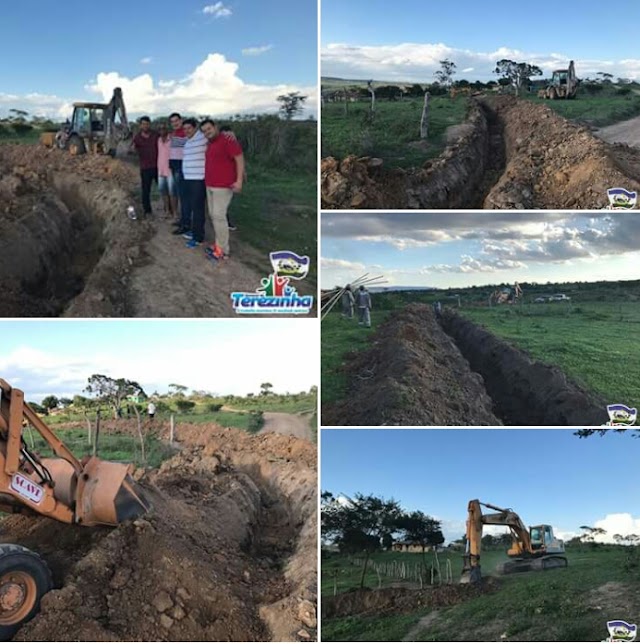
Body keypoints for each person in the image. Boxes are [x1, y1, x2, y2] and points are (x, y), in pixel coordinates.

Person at [200, 119, 245, 260]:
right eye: (205, 131)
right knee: (214, 215)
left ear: (215, 127)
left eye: (209, 129)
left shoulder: (228, 139)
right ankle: (219, 245)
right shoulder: (209, 143)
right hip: (210, 184)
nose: (207, 132)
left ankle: (223, 250)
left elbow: (239, 158)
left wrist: (239, 180)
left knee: (219, 216)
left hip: (223, 186)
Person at [179, 118, 208, 247]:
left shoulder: (203, 137)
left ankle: (198, 238)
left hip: (198, 179)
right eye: (184, 129)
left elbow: (218, 135)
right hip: (188, 179)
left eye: (189, 128)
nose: (186, 131)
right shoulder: (187, 141)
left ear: (195, 127)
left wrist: (228, 132)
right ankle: (195, 230)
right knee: (191, 206)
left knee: (197, 209)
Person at [132, 116, 159, 216]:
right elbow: (132, 149)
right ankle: (147, 211)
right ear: (140, 125)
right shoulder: (137, 137)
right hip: (145, 168)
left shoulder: (156, 135)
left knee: (164, 189)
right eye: (143, 124)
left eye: (147, 124)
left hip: (157, 167)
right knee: (145, 190)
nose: (145, 126)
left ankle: (168, 210)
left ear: (149, 124)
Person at [169, 112, 187, 227]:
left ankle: (185, 222)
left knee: (183, 195)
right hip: (174, 166)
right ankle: (183, 219)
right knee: (178, 194)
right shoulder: (173, 134)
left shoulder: (186, 133)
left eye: (176, 121)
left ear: (181, 121)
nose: (175, 123)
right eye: (172, 122)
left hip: (182, 166)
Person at [157, 123, 175, 217]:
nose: (162, 130)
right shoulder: (158, 140)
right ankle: (167, 211)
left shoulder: (172, 139)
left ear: (167, 129)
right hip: (160, 170)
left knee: (172, 193)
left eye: (163, 128)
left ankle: (175, 213)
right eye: (160, 129)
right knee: (163, 192)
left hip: (170, 170)